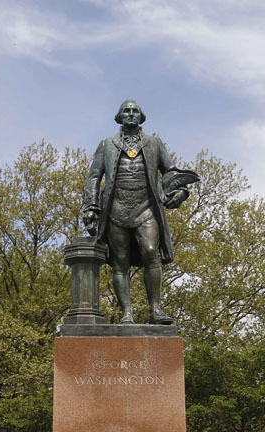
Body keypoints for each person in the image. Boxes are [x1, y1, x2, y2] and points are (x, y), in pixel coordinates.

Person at [82, 100, 191, 325]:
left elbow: (170, 173)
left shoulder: (154, 143)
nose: (130, 114)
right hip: (116, 209)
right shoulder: (107, 144)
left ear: (141, 116)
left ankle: (156, 310)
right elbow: (94, 176)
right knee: (119, 262)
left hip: (146, 208)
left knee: (151, 252)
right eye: (126, 111)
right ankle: (127, 313)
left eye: (134, 111)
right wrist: (91, 206)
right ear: (119, 116)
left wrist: (181, 191)